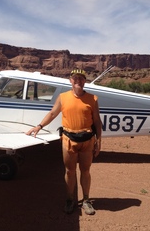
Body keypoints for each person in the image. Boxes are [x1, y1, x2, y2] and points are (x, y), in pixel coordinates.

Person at [26, 69, 102, 215]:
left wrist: (99, 140)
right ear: (70, 80)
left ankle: (86, 200)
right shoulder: (63, 97)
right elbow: (53, 113)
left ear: (84, 81)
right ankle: (69, 199)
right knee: (69, 171)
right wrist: (39, 126)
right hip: (68, 139)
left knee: (85, 171)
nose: (78, 81)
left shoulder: (93, 99)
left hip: (87, 140)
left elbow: (97, 121)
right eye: (75, 78)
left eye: (81, 78)